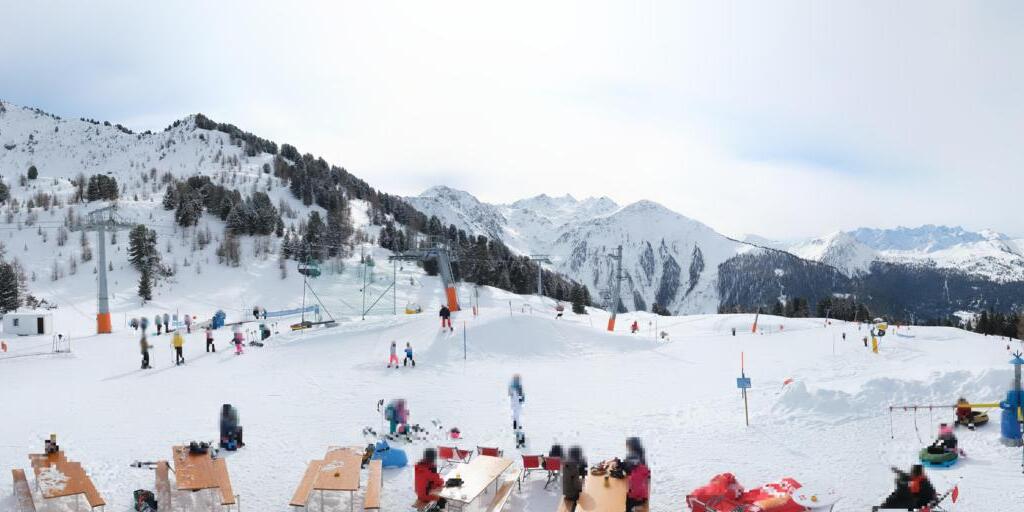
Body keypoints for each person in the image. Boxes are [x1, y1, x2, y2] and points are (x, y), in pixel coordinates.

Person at [621, 437, 650, 512]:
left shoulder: (632, 455)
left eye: (627, 445)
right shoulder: (641, 454)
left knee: (625, 503)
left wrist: (620, 464)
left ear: (630, 446)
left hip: (635, 490)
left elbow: (628, 469)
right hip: (643, 488)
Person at [561, 446, 587, 511]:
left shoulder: (567, 464)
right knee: (585, 498)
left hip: (566, 492)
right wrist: (582, 486)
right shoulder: (573, 467)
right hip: (572, 495)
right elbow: (576, 485)